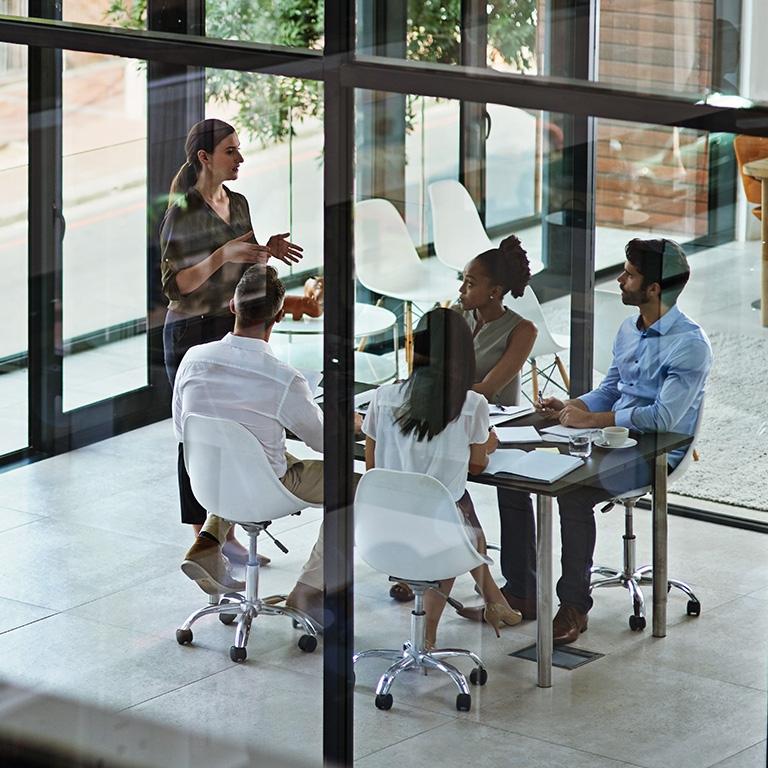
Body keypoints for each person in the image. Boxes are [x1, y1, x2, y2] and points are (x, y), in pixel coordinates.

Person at [525, 238, 711, 644]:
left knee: (572, 493)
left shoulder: (690, 345)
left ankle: (573, 606)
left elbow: (663, 418)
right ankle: (520, 591)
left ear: (654, 289)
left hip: (657, 450)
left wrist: (594, 418)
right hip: (612, 437)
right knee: (534, 465)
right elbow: (611, 388)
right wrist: (573, 405)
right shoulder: (630, 328)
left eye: (629, 274)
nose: (620, 279)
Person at [175, 264, 358, 626]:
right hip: (265, 487)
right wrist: (347, 422)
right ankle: (307, 590)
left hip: (208, 481)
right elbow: (323, 442)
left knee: (248, 454)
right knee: (355, 488)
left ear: (232, 306)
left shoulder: (193, 359)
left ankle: (209, 541)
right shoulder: (283, 378)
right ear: (278, 314)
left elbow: (184, 432)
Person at [160, 118, 303, 564]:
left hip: (229, 328)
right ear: (205, 157)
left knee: (236, 432)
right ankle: (206, 541)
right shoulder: (181, 213)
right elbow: (174, 286)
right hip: (190, 332)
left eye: (240, 150)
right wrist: (223, 253)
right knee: (202, 438)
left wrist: (267, 250)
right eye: (231, 151)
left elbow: (244, 270)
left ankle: (225, 533)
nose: (240, 159)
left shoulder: (237, 203)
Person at [362, 308, 523, 649]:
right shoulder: (472, 405)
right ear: (464, 356)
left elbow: (372, 467)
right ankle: (429, 632)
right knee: (455, 524)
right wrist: (489, 444)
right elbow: (477, 466)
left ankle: (495, 601)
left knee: (456, 515)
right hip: (435, 532)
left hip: (382, 525)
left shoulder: (383, 397)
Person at [451, 235, 540, 623]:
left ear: (495, 291)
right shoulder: (456, 314)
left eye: (470, 283)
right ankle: (416, 570)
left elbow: (487, 388)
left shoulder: (522, 330)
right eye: (463, 280)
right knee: (429, 480)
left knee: (515, 495)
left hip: (500, 427)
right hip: (454, 419)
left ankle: (521, 591)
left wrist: (437, 388)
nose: (462, 289)